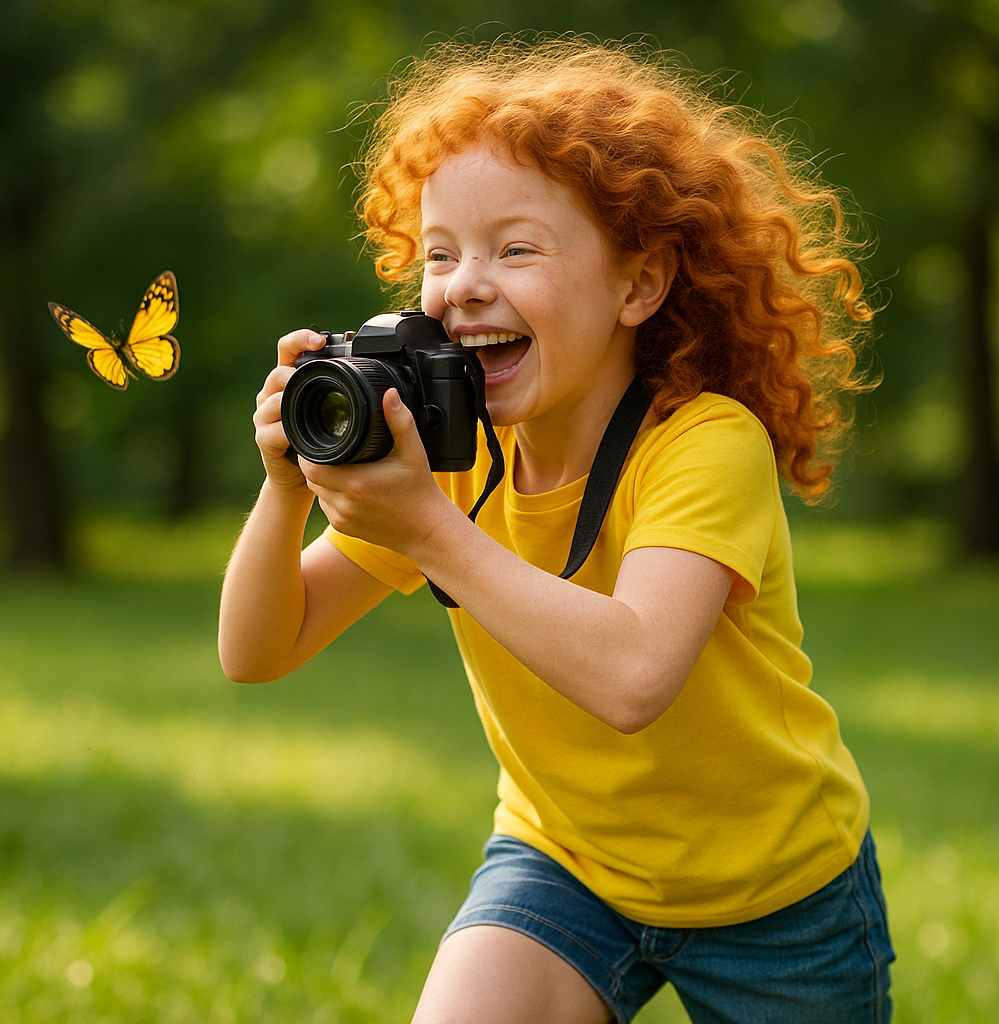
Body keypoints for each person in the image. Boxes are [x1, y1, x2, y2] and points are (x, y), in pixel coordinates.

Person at [218, 36, 895, 1024]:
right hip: (566, 862)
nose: (464, 284)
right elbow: (257, 649)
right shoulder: (444, 456)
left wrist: (428, 529)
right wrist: (287, 485)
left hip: (774, 893)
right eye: (440, 253)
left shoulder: (704, 443)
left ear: (637, 286)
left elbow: (633, 678)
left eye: (515, 248)